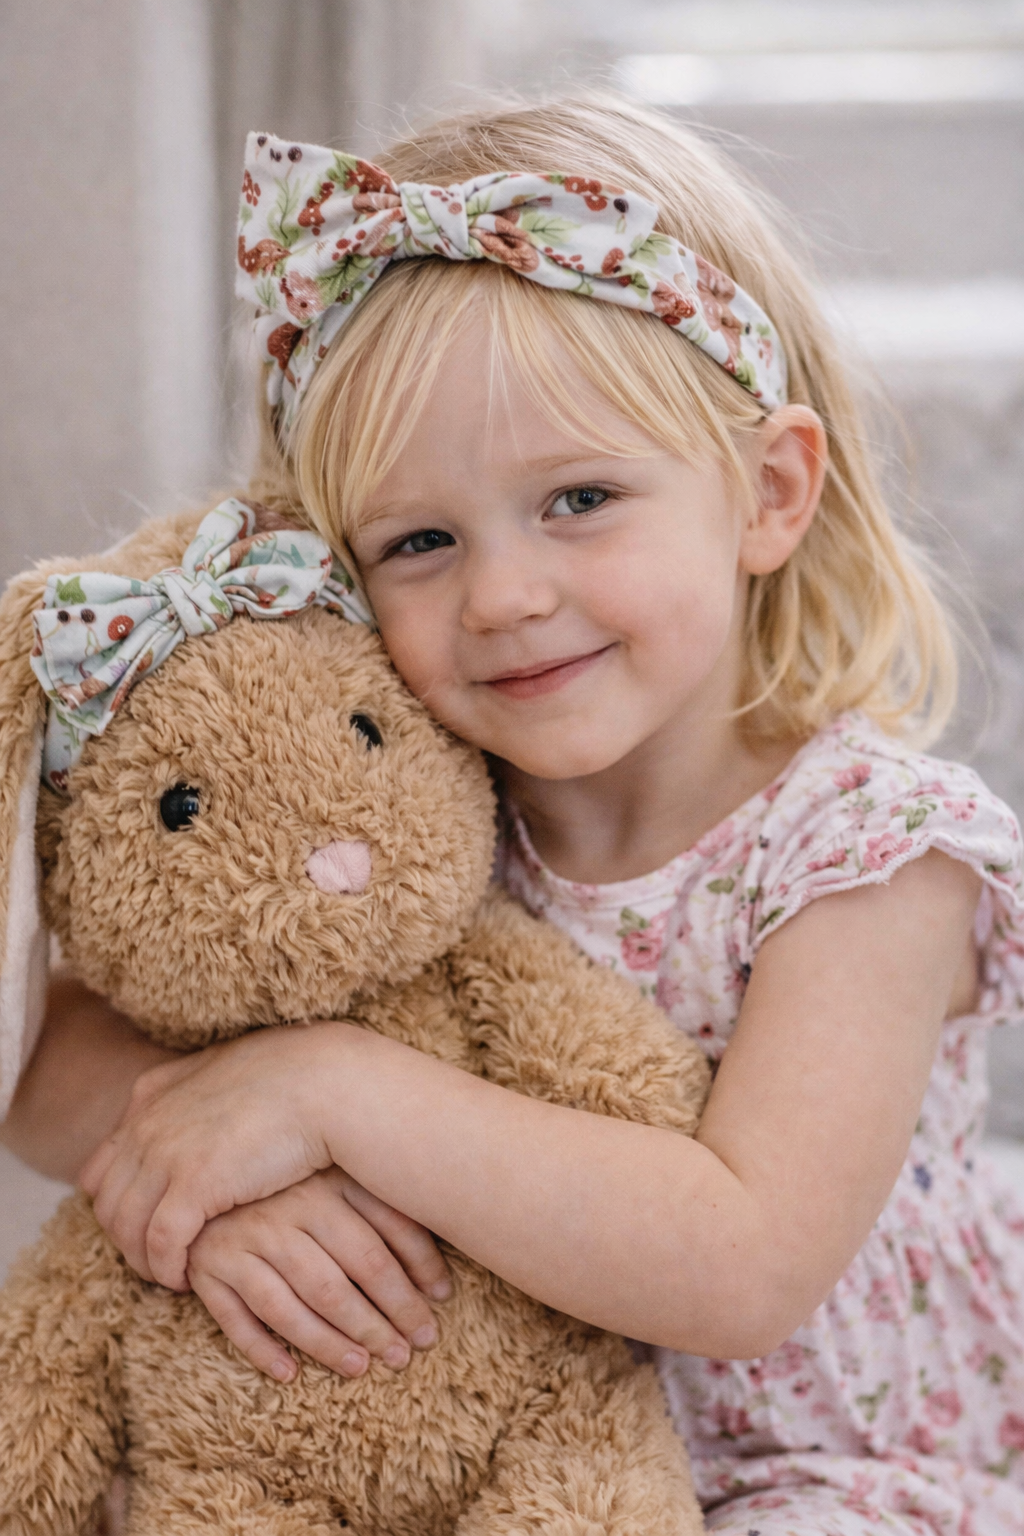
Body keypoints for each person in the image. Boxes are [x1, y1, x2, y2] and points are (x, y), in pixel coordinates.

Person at [5, 97, 1024, 1534]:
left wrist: (328, 1092)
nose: (500, 597)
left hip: (813, 1477)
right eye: (419, 541)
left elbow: (740, 1267)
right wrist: (218, 1175)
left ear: (768, 493)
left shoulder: (866, 857)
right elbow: (39, 1055)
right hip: (462, 1456)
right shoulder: (394, 808)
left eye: (580, 499)